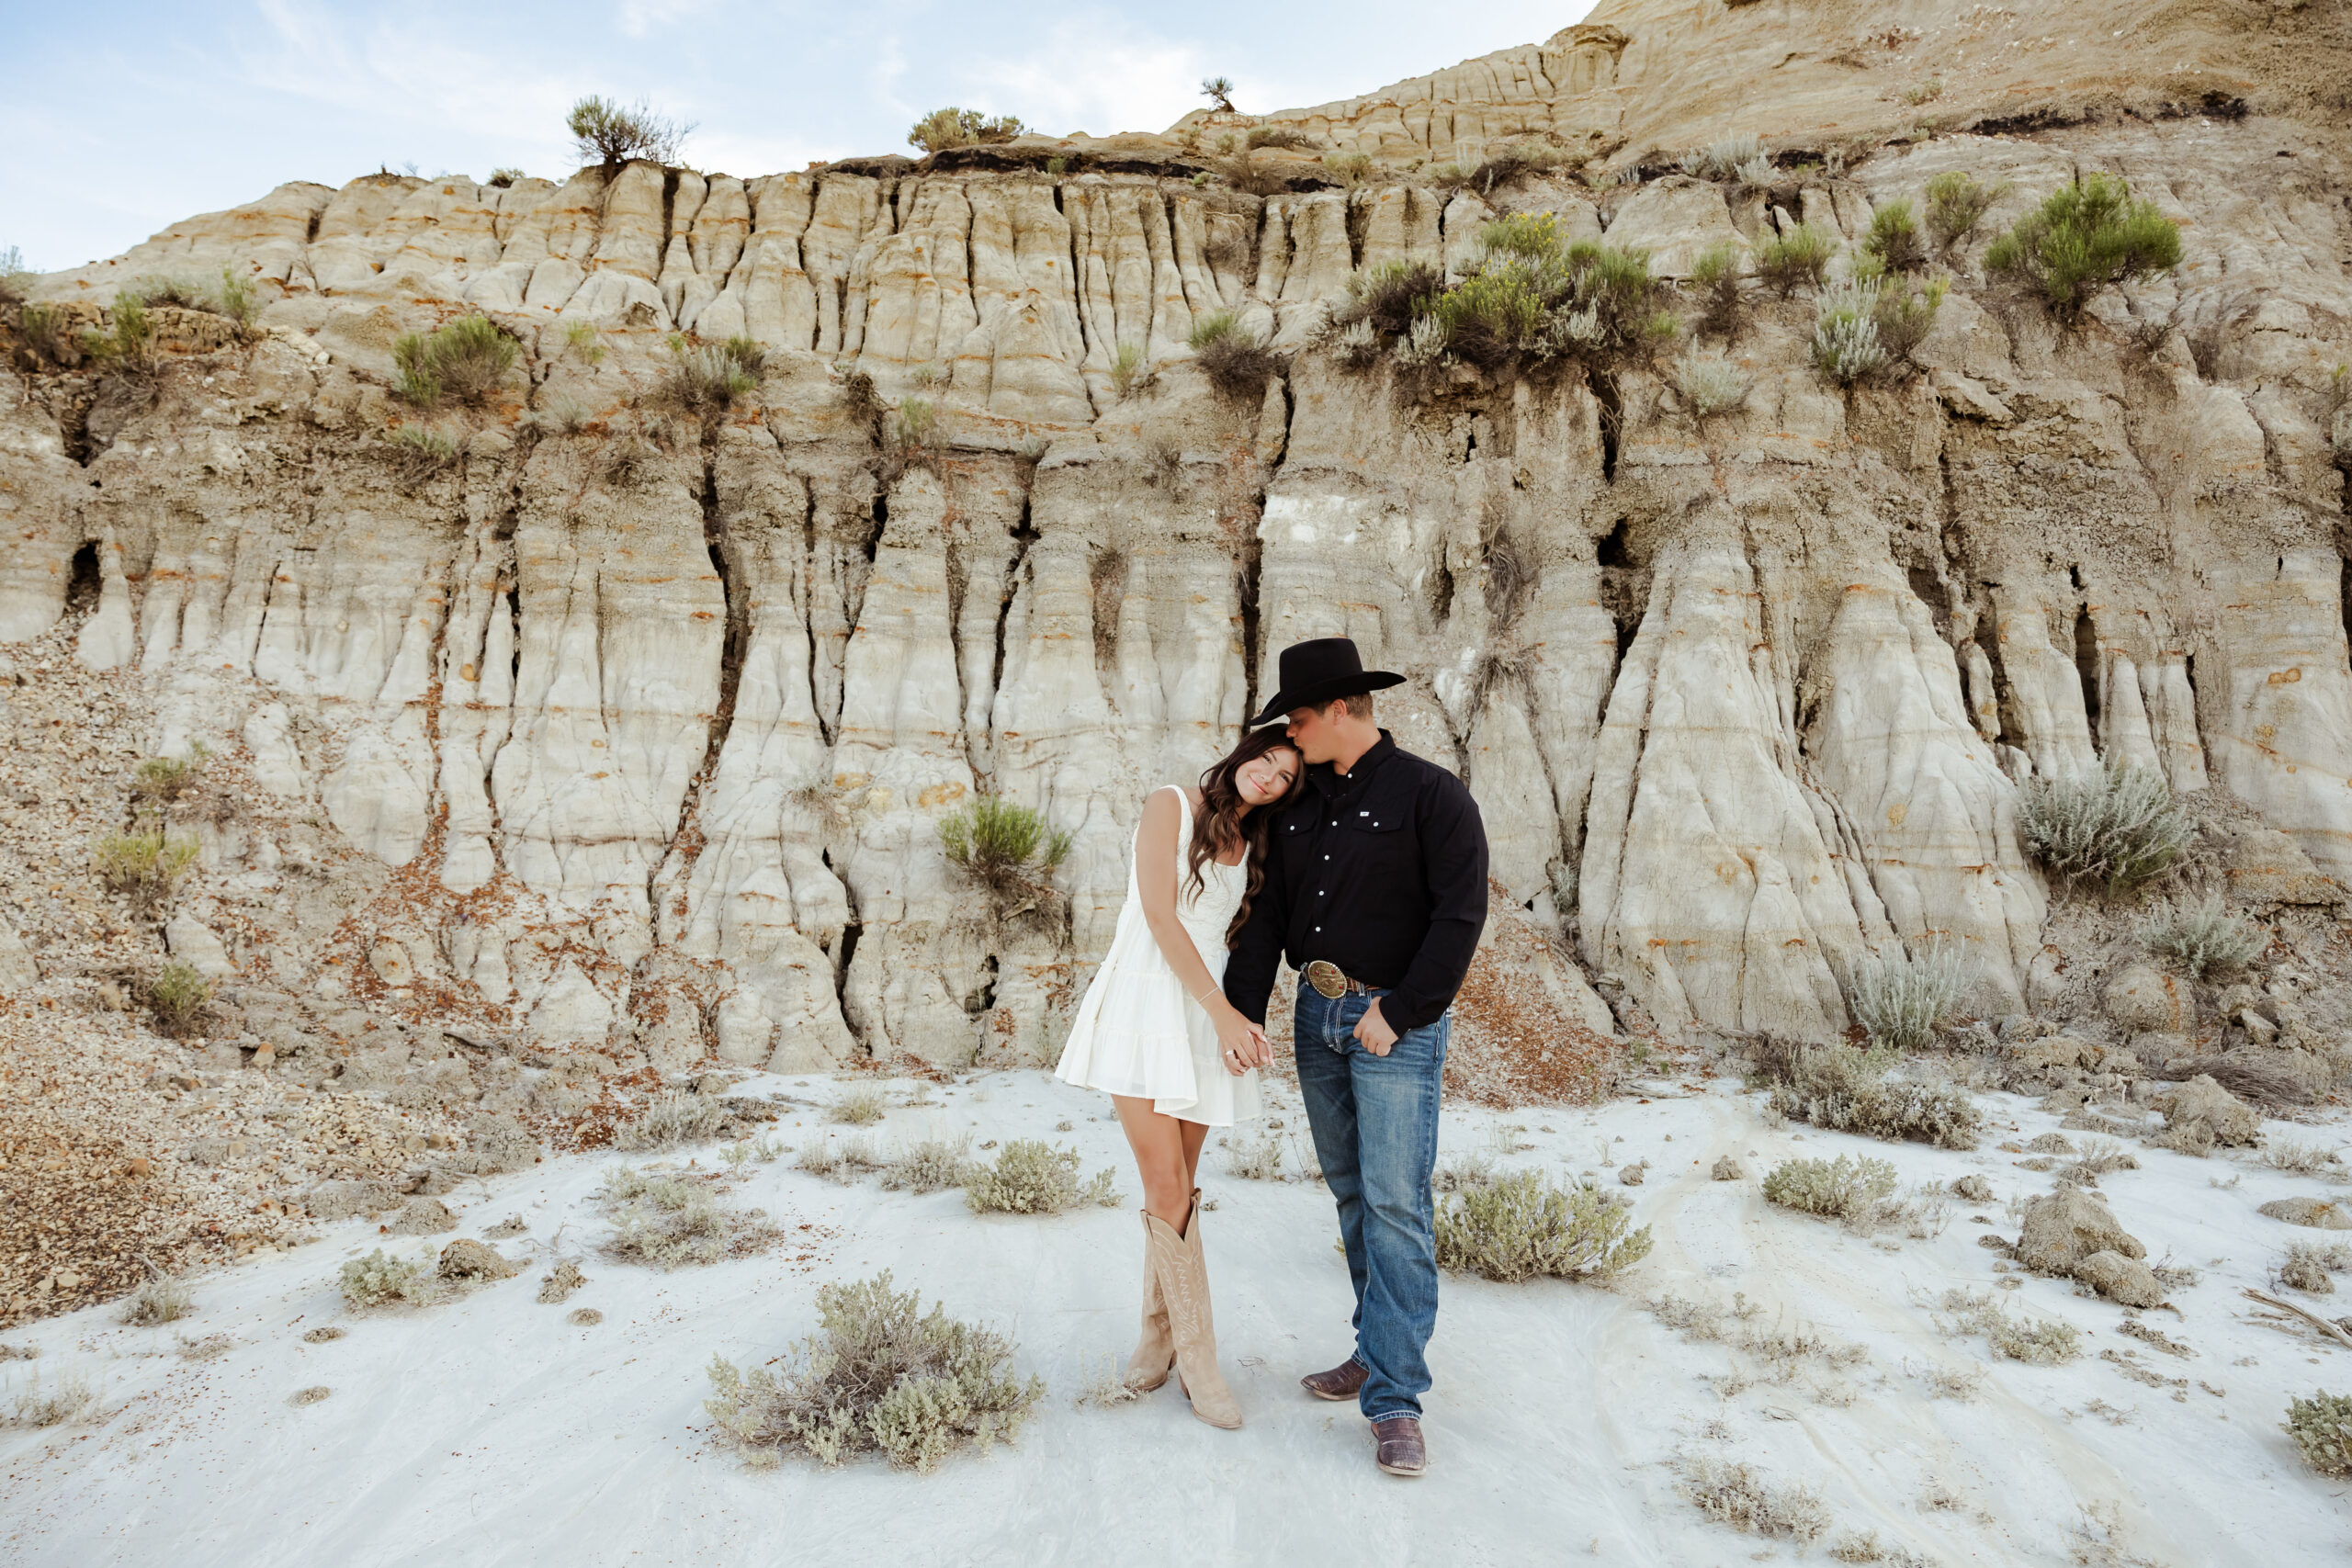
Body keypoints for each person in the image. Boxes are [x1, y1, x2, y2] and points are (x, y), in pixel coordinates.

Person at [1222, 637, 1489, 1479]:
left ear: (1342, 709)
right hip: (1317, 1016)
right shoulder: (1296, 807)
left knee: (1396, 1203)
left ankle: (1396, 1399)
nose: (1291, 735)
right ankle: (1375, 1352)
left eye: (1298, 719)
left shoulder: (1433, 795)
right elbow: (1266, 915)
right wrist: (1239, 1011)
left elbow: (1459, 916)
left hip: (1392, 1023)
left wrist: (1400, 1012)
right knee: (1350, 1195)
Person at [1053, 728, 1305, 1428]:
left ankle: (1158, 1337)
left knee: (1181, 1187)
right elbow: (1162, 919)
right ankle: (1201, 1362)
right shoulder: (1170, 803)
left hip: (1204, 1016)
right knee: (1165, 1182)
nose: (1269, 777)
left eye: (1286, 776)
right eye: (1266, 760)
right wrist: (1223, 1012)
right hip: (1146, 1002)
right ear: (1244, 752)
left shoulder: (1256, 842)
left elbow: (1244, 939)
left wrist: (1238, 1019)